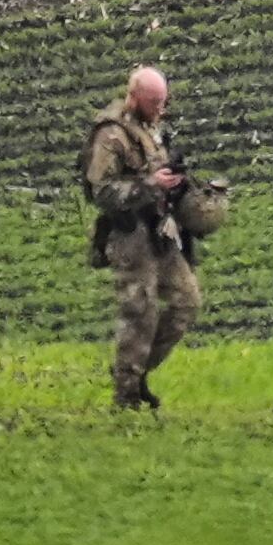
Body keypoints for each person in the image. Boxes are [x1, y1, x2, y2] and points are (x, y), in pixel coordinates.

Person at [80, 63, 215, 412]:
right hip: (129, 233)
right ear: (135, 96)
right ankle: (125, 398)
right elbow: (101, 191)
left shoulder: (150, 128)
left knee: (187, 302)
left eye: (163, 102)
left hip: (161, 230)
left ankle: (135, 374)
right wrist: (150, 185)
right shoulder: (111, 135)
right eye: (155, 102)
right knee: (139, 312)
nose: (161, 110)